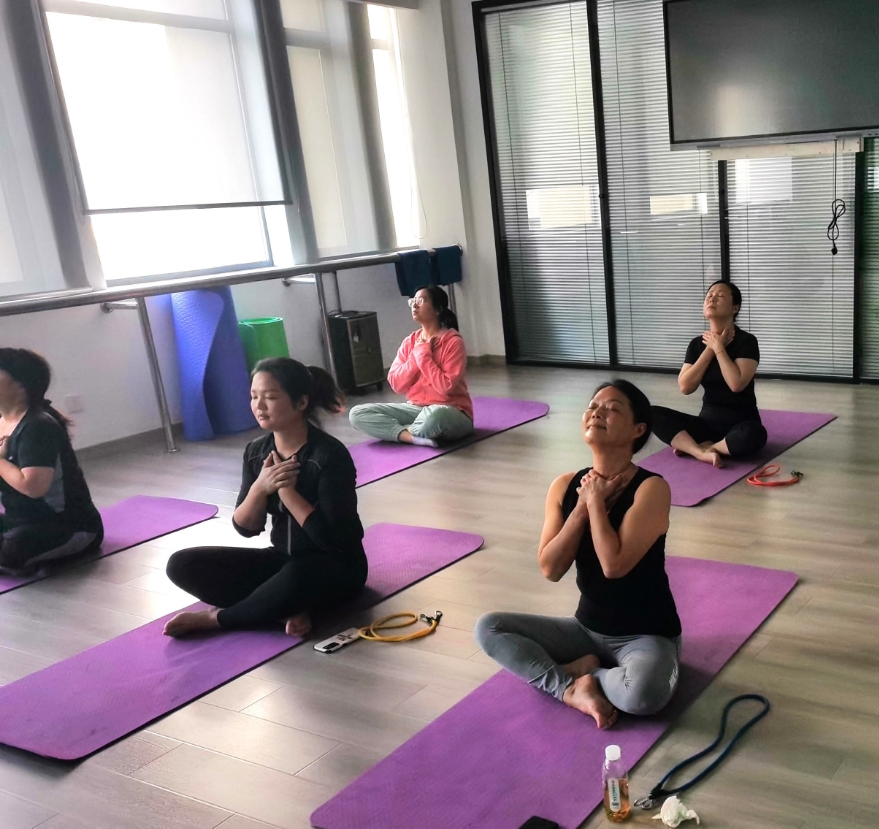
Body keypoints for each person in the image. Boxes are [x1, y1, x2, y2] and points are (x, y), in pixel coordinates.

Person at [475, 380, 680, 730]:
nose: (597, 412)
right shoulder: (565, 485)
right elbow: (550, 568)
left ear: (638, 430)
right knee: (489, 627)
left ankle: (591, 675)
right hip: (585, 628)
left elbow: (614, 565)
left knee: (645, 695)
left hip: (646, 635)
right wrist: (582, 506)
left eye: (612, 409)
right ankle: (569, 687)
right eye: (593, 406)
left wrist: (595, 502)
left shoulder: (652, 488)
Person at [163, 357, 366, 638]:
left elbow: (335, 540)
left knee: (297, 576)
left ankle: (220, 619)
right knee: (182, 564)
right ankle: (283, 607)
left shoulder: (329, 455)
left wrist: (286, 492)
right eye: (254, 396)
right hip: (280, 560)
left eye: (270, 397)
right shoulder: (256, 452)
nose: (259, 406)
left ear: (301, 402)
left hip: (335, 567)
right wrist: (260, 487)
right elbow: (245, 528)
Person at [0, 348, 103, 574]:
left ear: (20, 384)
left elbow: (33, 487)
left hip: (67, 526)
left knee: (13, 550)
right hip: (18, 520)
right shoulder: (3, 422)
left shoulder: (37, 426)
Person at [651, 280, 766, 467]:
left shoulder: (747, 341)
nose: (712, 298)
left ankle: (710, 448)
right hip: (706, 423)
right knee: (651, 414)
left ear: (735, 308)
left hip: (740, 423)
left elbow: (736, 384)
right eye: (709, 295)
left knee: (755, 434)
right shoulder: (697, 344)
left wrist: (719, 348)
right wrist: (710, 349)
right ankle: (700, 451)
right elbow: (685, 387)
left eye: (720, 296)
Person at [348, 285, 474, 446]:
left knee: (435, 416)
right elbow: (396, 384)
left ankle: (402, 430)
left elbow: (445, 387)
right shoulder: (410, 342)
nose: (414, 304)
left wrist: (423, 356)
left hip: (450, 411)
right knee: (357, 414)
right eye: (412, 301)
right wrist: (415, 358)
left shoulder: (453, 342)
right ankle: (412, 436)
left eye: (420, 301)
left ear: (437, 309)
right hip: (416, 409)